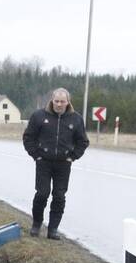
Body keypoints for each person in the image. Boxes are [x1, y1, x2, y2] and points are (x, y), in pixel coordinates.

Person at [22, 88, 89, 239]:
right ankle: (36, 224)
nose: (59, 104)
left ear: (68, 102)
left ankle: (53, 229)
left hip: (63, 164)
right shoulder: (39, 116)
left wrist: (73, 156)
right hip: (43, 162)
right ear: (52, 101)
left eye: (62, 101)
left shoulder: (76, 119)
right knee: (42, 194)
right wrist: (36, 155)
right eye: (56, 101)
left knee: (59, 196)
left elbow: (83, 141)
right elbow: (28, 137)